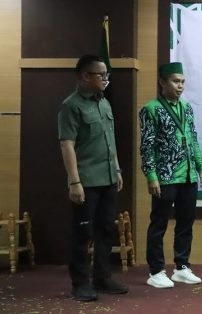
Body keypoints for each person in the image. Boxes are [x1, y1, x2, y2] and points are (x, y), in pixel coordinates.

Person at [58, 54, 129, 301]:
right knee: (82, 234)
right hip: (86, 181)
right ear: (85, 76)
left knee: (106, 230)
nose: (105, 78)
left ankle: (102, 277)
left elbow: (110, 140)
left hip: (108, 177)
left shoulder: (104, 102)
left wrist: (117, 169)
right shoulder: (71, 105)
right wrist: (74, 181)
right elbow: (67, 144)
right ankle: (80, 283)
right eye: (101, 74)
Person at [139, 62, 202, 289]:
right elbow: (146, 146)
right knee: (159, 223)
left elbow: (193, 139)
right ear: (162, 82)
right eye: (175, 81)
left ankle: (181, 267)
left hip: (188, 176)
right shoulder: (150, 109)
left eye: (182, 82)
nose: (180, 86)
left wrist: (201, 167)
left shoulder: (187, 108)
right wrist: (151, 175)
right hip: (165, 176)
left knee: (186, 222)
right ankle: (156, 270)